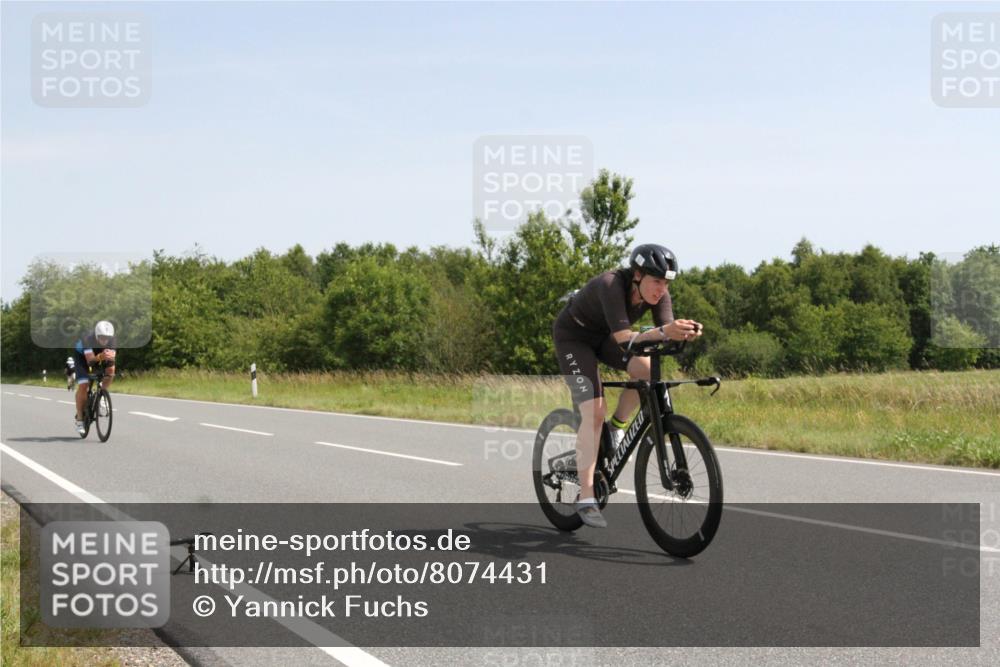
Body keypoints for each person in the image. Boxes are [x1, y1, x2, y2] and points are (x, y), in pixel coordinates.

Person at [552, 244, 703, 528]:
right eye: (656, 281)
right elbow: (624, 339)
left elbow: (665, 335)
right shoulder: (611, 285)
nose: (661, 289)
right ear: (637, 275)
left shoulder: (660, 295)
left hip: (605, 337)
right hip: (574, 338)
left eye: (666, 282)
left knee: (645, 371)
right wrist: (664, 332)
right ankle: (585, 498)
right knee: (594, 412)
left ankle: (617, 427)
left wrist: (683, 333)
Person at [72, 320, 118, 435]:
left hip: (99, 355)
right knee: (84, 384)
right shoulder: (87, 338)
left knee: (111, 370)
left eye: (107, 337)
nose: (104, 340)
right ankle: (80, 420)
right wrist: (101, 357)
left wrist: (108, 359)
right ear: (96, 335)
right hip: (83, 357)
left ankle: (102, 394)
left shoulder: (113, 340)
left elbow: (111, 361)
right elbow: (91, 362)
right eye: (102, 337)